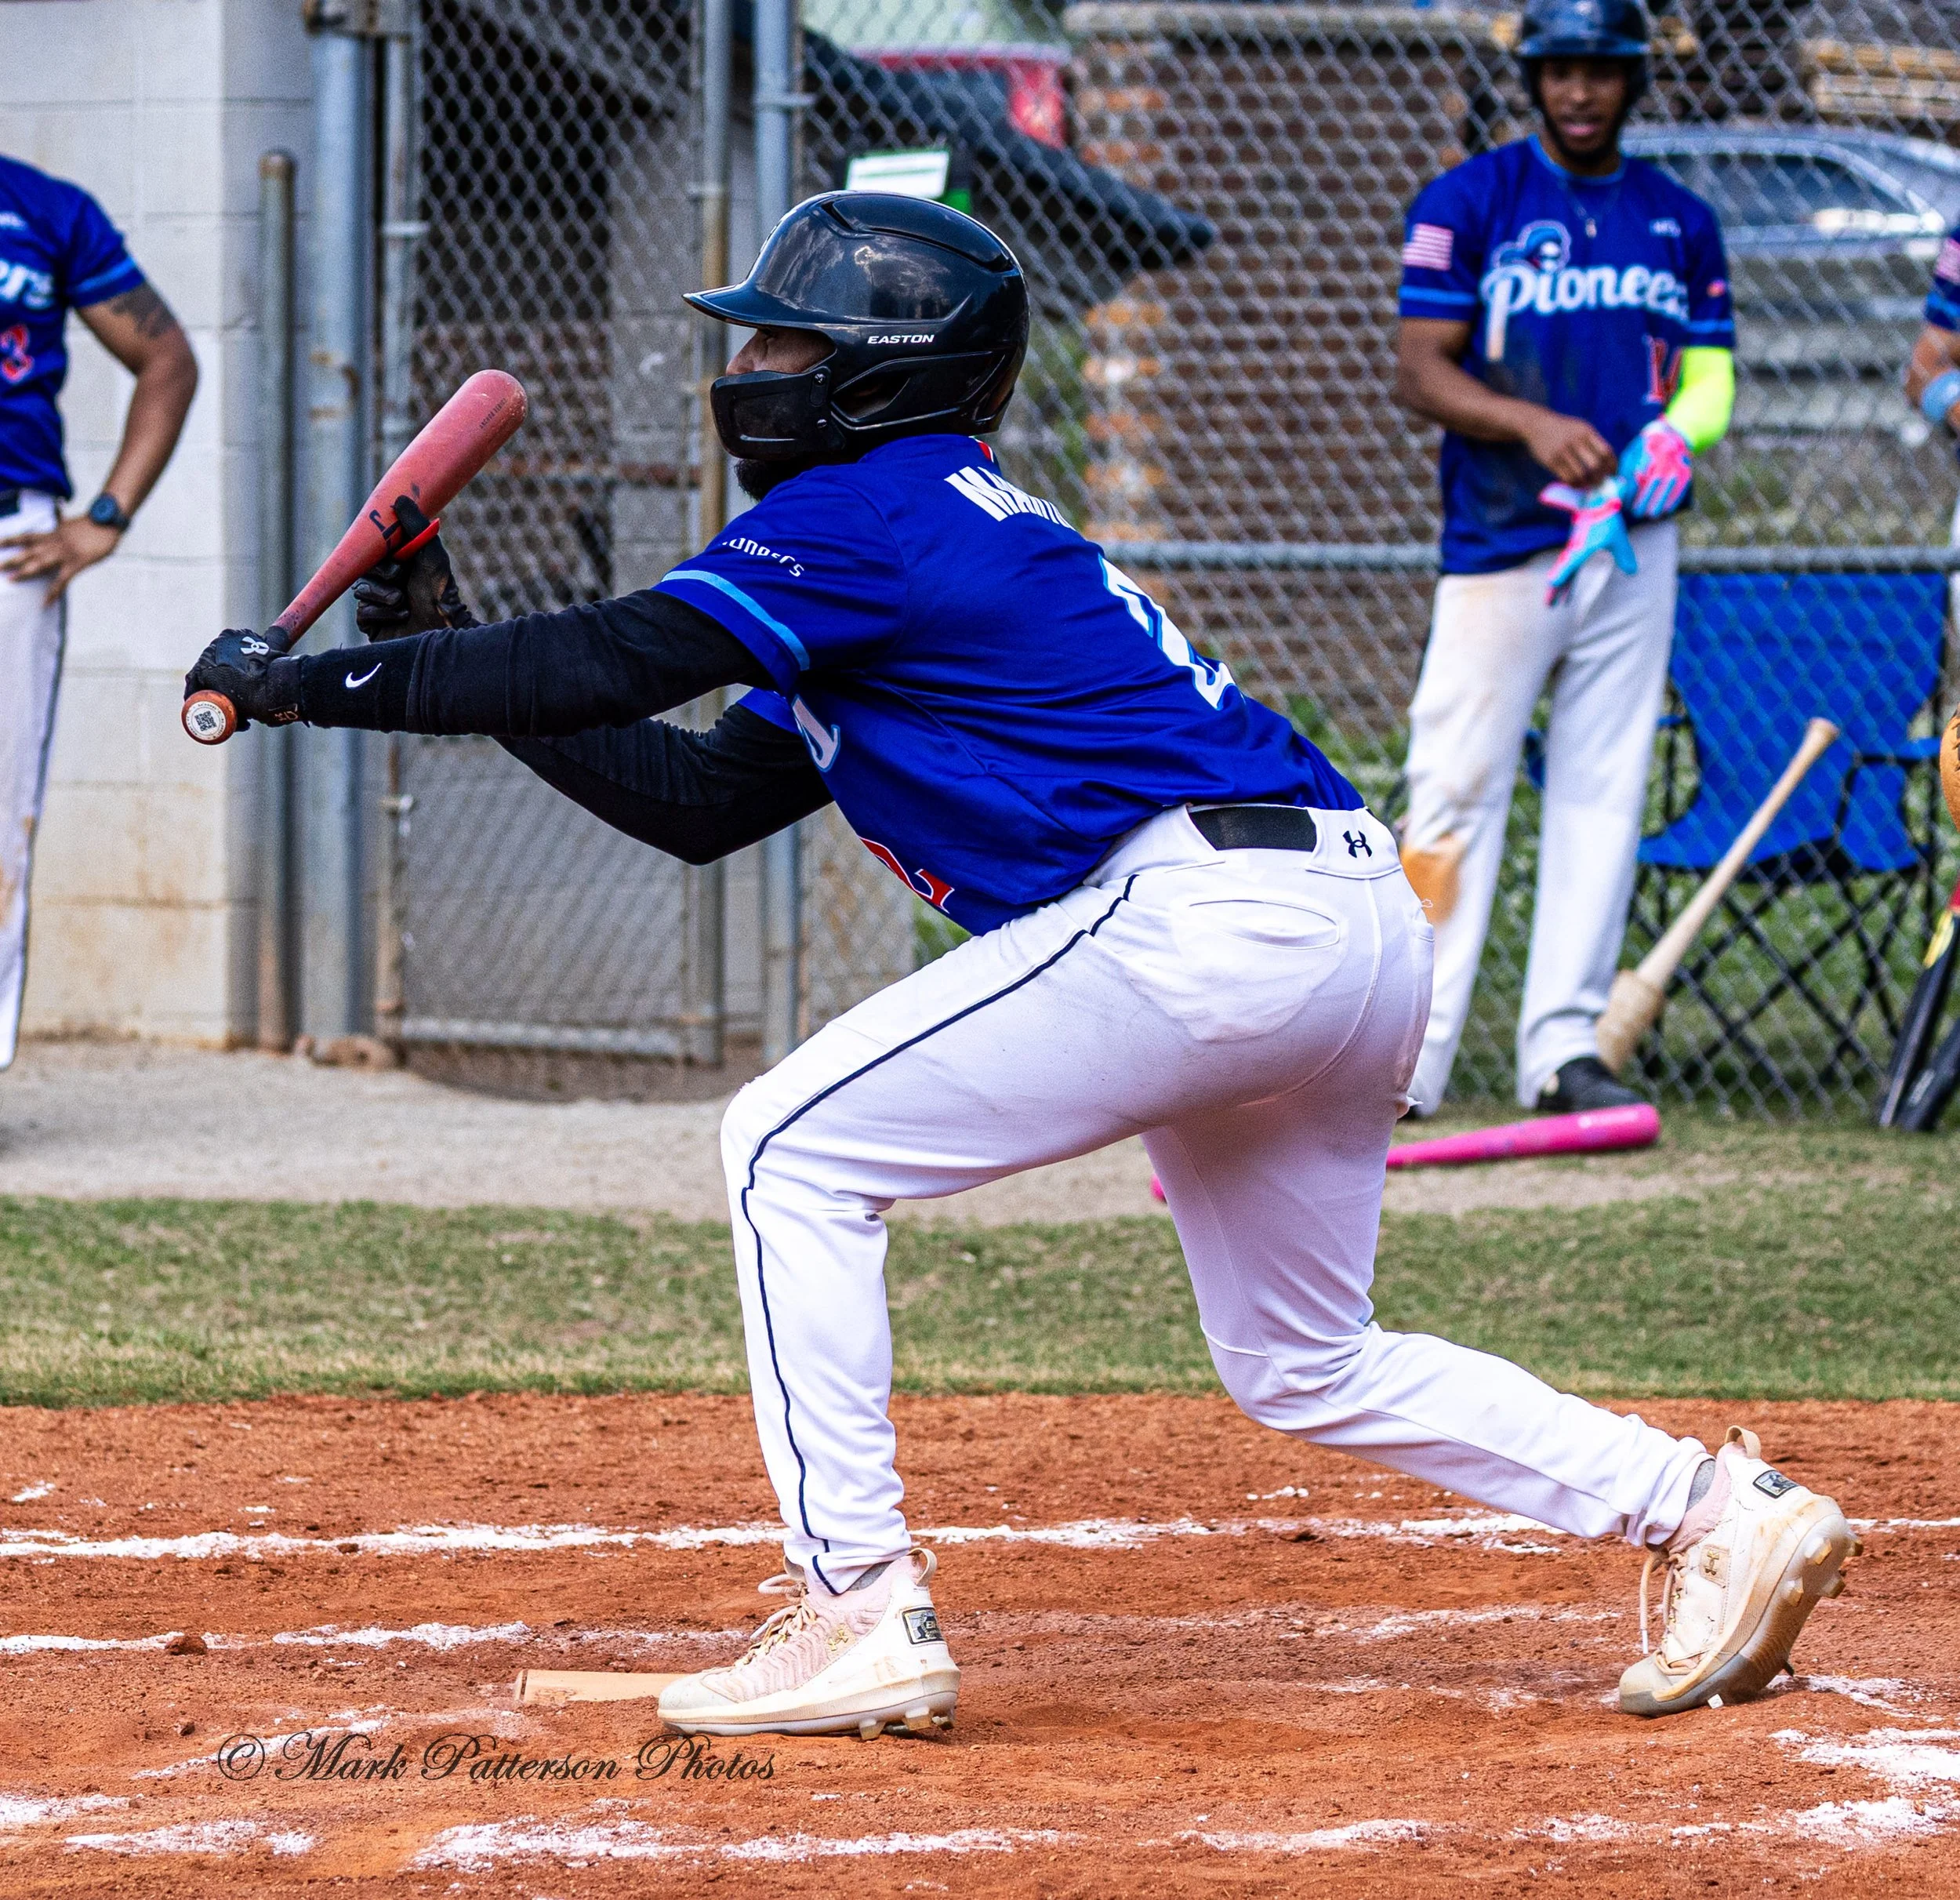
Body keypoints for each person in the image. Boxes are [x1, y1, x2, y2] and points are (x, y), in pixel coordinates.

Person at [184, 190, 1852, 1731]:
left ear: (876, 379)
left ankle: (857, 1605)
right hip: (1338, 923)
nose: (752, 373)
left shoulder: (871, 509)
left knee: (784, 1145)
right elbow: (691, 795)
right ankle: (1708, 1505)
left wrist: (306, 682)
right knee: (1301, 1357)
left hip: (1204, 919)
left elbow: (615, 656)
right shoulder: (917, 536)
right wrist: (434, 633)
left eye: (785, 345)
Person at [1393, 0, 1736, 1117]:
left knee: (1604, 787)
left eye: (1601, 71)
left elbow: (1710, 373)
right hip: (1503, 539)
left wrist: (1678, 438)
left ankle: (1563, 1047)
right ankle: (1408, 1053)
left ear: (1635, 80)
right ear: (1532, 79)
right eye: (1560, 71)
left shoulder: (1679, 219)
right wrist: (1529, 424)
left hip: (1635, 546)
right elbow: (1420, 369)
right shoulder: (1472, 199)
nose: (1580, 92)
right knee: (1451, 786)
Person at [0, 153, 198, 1070]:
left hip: (13, 542)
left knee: (2, 816)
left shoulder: (45, 208)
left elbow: (166, 358)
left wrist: (105, 516)